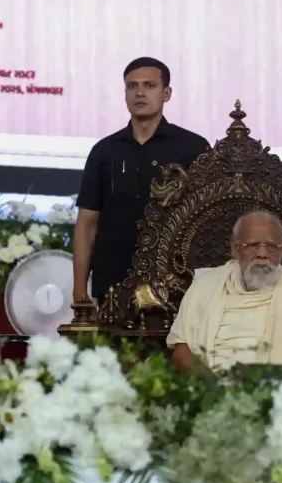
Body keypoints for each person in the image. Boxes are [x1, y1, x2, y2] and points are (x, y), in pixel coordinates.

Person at [73, 57, 211, 304]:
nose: (140, 93)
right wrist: (79, 291)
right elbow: (87, 223)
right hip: (114, 282)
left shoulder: (193, 148)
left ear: (166, 93)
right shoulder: (104, 151)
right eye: (132, 86)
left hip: (177, 283)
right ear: (124, 93)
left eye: (149, 85)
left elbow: (207, 222)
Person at [168, 211, 282, 372]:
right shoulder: (206, 285)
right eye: (253, 245)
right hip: (208, 390)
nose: (262, 254)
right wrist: (214, 390)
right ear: (235, 248)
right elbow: (181, 350)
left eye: (271, 246)